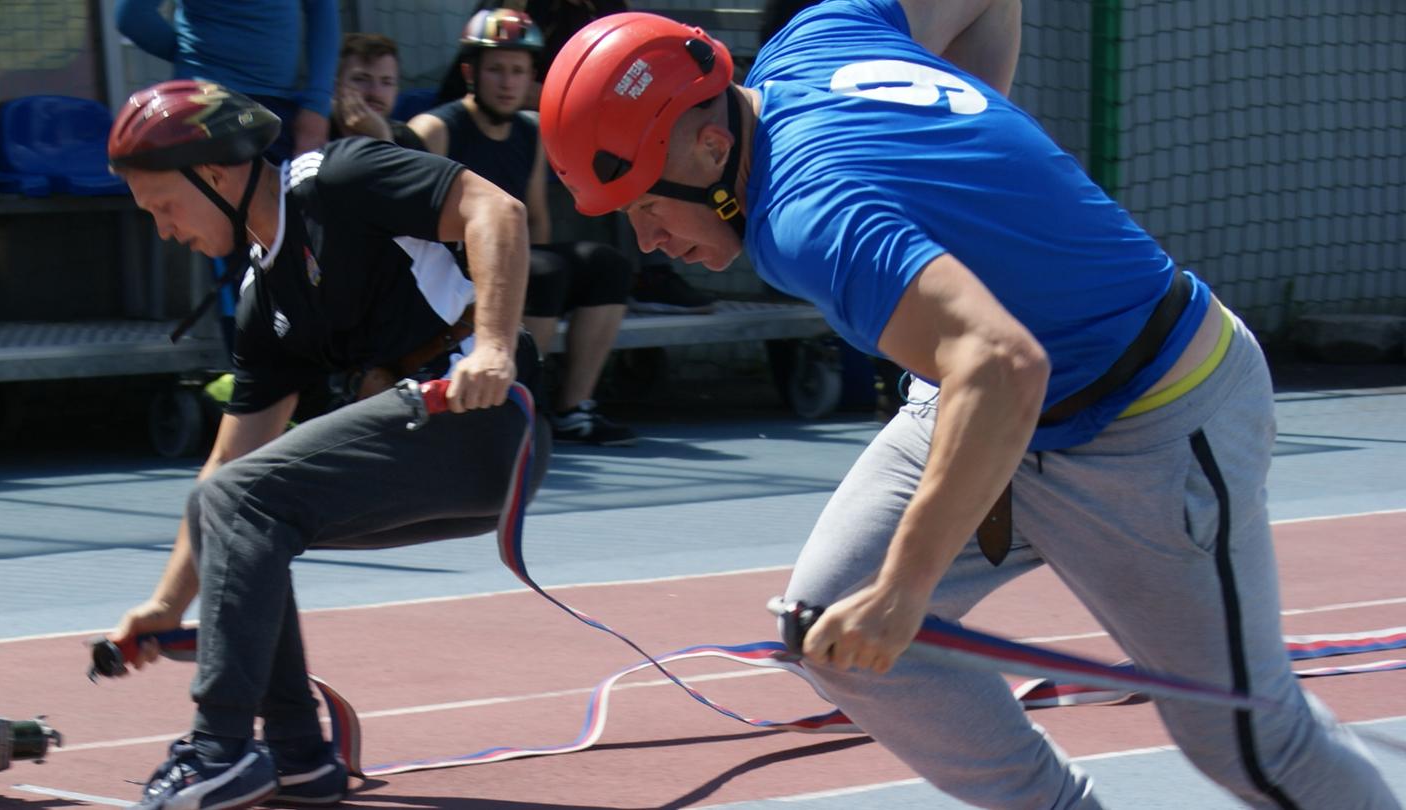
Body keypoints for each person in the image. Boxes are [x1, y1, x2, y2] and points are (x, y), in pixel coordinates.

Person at [539, 4, 1399, 809]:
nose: (648, 239)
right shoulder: (816, 35)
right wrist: (975, 167)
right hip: (995, 400)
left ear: (710, 146)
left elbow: (1002, 363)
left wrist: (906, 590)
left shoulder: (812, 215)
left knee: (1251, 743)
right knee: (829, 628)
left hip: (1147, 420)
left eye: (645, 205)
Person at [104, 80, 550, 810]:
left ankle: (218, 749)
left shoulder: (334, 178)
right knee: (246, 510)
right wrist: (164, 604)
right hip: (429, 448)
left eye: (162, 207)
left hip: (489, 422)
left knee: (244, 503)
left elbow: (494, 208)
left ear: (214, 175)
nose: (164, 230)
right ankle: (298, 755)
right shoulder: (263, 300)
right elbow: (224, 470)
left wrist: (494, 349)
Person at [410, 8, 638, 446]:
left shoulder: (530, 132)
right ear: (469, 73)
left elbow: (535, 217)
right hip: (450, 270)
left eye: (518, 71)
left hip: (514, 261)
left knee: (606, 265)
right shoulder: (435, 129)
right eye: (496, 69)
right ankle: (515, 404)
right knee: (542, 270)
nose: (508, 82)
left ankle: (572, 408)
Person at [114, 0, 338, 162]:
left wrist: (190, 56)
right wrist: (316, 107)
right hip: (261, 111)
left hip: (205, 105)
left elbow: (132, 16)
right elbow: (323, 13)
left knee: (200, 221)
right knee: (277, 220)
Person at [330, 32, 428, 151]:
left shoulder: (406, 140)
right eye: (361, 79)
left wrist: (382, 136)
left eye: (386, 82)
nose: (375, 93)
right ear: (336, 86)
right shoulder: (313, 131)